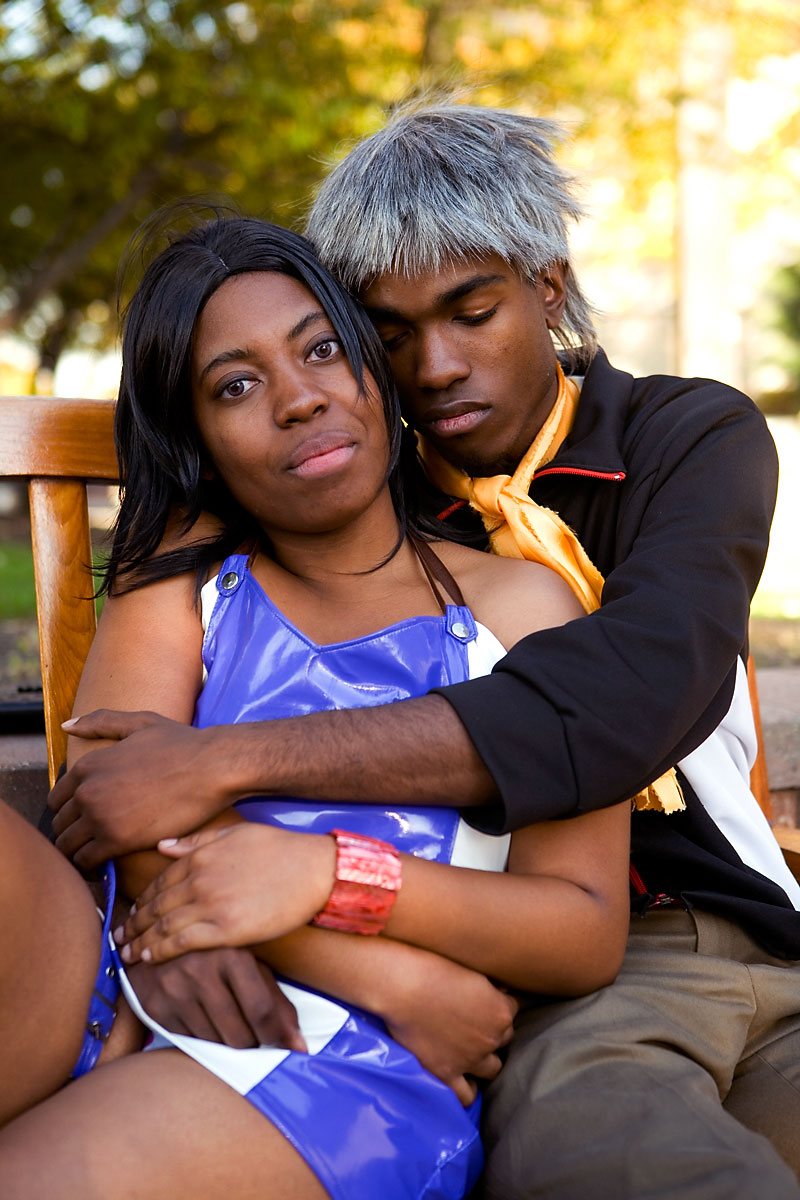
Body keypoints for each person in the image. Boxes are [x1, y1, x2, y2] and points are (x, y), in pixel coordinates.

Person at [48, 104, 800, 1198]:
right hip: (554, 972)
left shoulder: (681, 438)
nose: (435, 367)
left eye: (472, 311)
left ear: (550, 287)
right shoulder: (343, 485)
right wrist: (174, 912)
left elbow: (628, 695)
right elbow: (121, 776)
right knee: (612, 1149)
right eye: (388, 334)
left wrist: (226, 764)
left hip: (728, 917)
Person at [0, 214, 631, 1198]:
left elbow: (581, 927)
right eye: (235, 386)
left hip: (336, 1060)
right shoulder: (188, 578)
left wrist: (333, 888)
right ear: (198, 439)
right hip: (124, 963)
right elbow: (108, 802)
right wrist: (380, 970)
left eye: (322, 349)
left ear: (376, 368)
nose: (298, 399)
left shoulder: (519, 606)